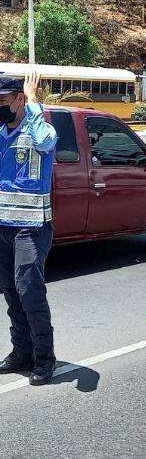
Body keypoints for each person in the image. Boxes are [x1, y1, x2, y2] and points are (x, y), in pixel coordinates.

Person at [0, 71, 58, 386]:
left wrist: (35, 103)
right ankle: (21, 352)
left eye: (3, 101)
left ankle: (44, 357)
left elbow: (45, 141)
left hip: (31, 228)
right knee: (11, 293)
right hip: (3, 228)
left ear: (20, 99)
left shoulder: (40, 130)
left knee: (29, 293)